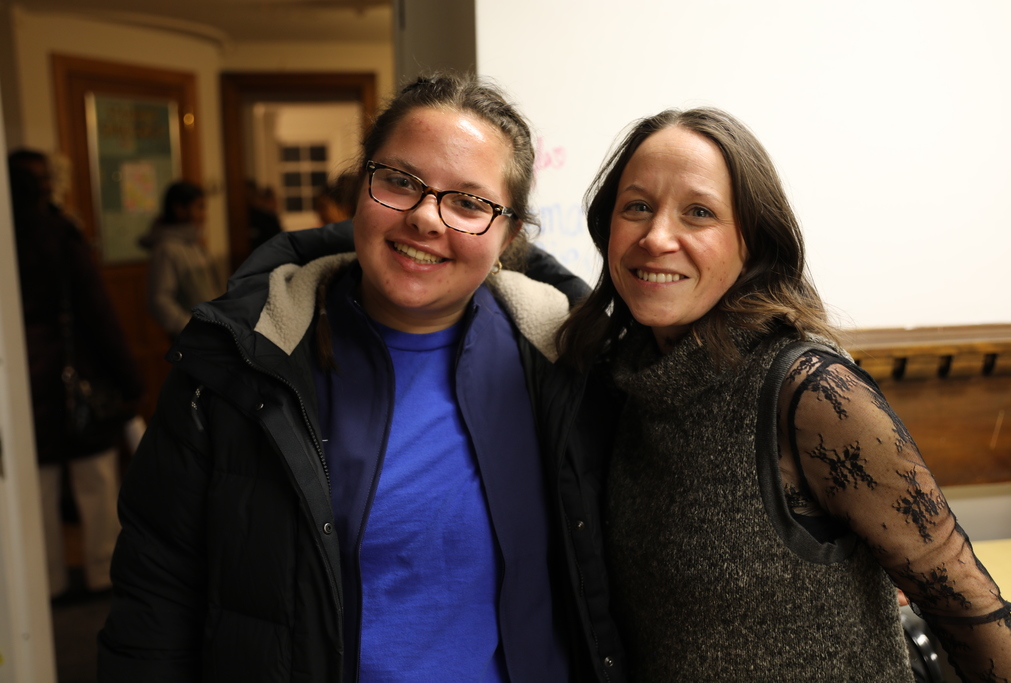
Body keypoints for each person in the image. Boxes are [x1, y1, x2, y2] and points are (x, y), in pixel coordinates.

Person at [98, 74, 624, 682]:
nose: (427, 217)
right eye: (401, 181)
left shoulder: (569, 359)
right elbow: (154, 601)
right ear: (360, 186)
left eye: (469, 203)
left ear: (508, 235)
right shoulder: (234, 365)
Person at [558, 108, 1011, 681]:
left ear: (752, 244)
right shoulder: (623, 378)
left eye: (698, 213)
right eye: (637, 207)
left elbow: (964, 603)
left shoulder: (809, 391)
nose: (656, 238)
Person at [9, 150, 144, 598]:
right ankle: (101, 570)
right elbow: (97, 312)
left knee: (35, 486)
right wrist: (129, 379)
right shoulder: (61, 234)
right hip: (75, 370)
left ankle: (43, 579)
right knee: (96, 479)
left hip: (17, 377)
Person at [138, 181, 223, 339]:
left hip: (213, 335)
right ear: (179, 210)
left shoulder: (195, 245)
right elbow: (159, 301)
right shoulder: (167, 249)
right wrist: (191, 329)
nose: (204, 215)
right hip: (196, 341)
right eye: (199, 207)